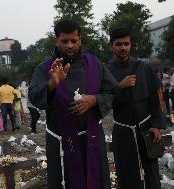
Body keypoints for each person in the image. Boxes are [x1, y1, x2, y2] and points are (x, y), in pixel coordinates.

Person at [28, 19, 117, 189]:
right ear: (56, 41)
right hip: (61, 143)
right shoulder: (44, 68)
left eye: (73, 41)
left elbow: (112, 91)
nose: (70, 45)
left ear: (80, 40)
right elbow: (33, 98)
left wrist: (94, 100)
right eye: (64, 41)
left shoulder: (94, 64)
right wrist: (52, 84)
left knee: (95, 180)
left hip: (91, 138)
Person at [107, 27, 164, 189]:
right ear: (111, 46)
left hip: (147, 129)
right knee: (126, 172)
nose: (123, 48)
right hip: (122, 131)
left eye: (126, 44)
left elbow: (155, 97)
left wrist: (156, 125)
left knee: (151, 171)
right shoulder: (106, 72)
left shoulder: (143, 68)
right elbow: (104, 100)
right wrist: (120, 86)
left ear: (131, 45)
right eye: (118, 44)